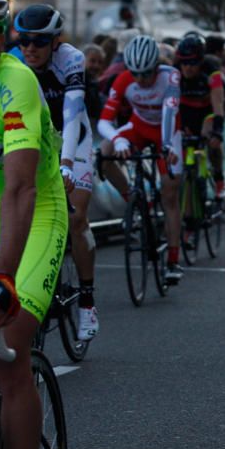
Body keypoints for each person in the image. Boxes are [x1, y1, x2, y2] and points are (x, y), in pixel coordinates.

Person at [0, 0, 70, 449]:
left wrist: (3, 279)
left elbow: (19, 190)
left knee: (5, 346)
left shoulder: (16, 83)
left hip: (34, 215)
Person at [13, 4, 101, 343]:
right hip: (35, 139)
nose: (30, 48)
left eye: (39, 41)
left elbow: (73, 110)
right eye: (24, 41)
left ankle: (88, 301)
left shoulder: (72, 58)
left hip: (73, 138)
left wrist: (65, 163)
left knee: (77, 221)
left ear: (55, 41)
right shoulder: (14, 61)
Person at [97, 35, 185, 284]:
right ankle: (135, 204)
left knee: (169, 194)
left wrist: (167, 146)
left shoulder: (171, 76)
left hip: (167, 132)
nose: (140, 80)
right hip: (139, 127)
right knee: (104, 153)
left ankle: (173, 259)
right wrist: (120, 139)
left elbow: (169, 113)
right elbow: (105, 121)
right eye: (135, 73)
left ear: (156, 67)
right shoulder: (124, 79)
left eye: (146, 73)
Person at [174, 34, 225, 199]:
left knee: (211, 140)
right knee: (183, 152)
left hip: (206, 113)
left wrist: (218, 131)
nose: (188, 68)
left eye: (193, 63)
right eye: (184, 62)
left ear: (201, 60)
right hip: (184, 112)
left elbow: (218, 104)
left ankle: (219, 179)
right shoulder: (175, 71)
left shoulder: (211, 71)